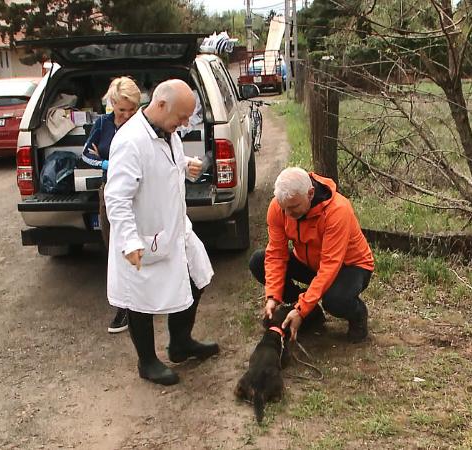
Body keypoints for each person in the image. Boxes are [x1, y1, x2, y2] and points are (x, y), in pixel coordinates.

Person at [104, 79, 219, 386]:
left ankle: (180, 343)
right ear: (162, 104)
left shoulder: (167, 131)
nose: (184, 124)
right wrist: (129, 241)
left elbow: (160, 164)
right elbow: (117, 197)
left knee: (197, 277)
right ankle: (147, 361)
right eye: (182, 117)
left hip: (175, 227)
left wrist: (184, 164)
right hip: (144, 235)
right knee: (140, 300)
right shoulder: (130, 141)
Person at [249, 167, 375, 343]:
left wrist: (302, 309)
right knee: (258, 261)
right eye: (284, 208)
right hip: (310, 263)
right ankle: (309, 311)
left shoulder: (338, 211)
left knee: (334, 300)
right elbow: (276, 254)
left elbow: (330, 265)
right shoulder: (279, 206)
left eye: (293, 208)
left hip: (350, 266)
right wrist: (273, 297)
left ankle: (357, 313)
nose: (288, 214)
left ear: (310, 193)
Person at [81, 76, 140, 334]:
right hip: (111, 192)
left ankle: (146, 301)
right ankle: (124, 307)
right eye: (122, 110)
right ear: (112, 105)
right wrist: (106, 164)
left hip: (141, 191)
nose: (127, 115)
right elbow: (86, 155)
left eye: (132, 109)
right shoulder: (103, 125)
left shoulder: (142, 125)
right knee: (116, 248)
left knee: (144, 244)